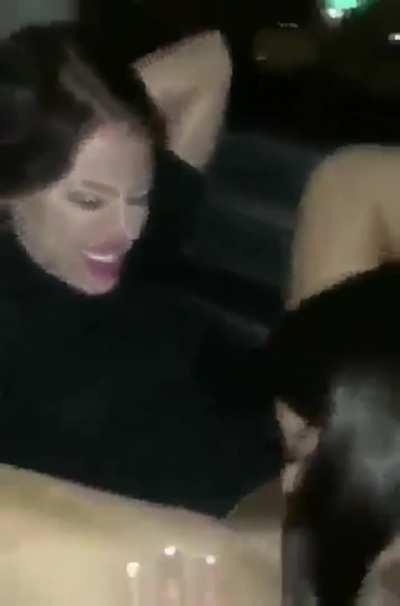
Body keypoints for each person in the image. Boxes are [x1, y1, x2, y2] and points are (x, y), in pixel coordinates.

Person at [0, 21, 278, 516]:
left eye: (141, 196)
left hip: (289, 451)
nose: (126, 230)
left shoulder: (133, 240)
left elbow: (210, 60)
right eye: (88, 201)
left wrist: (96, 105)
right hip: (208, 535)